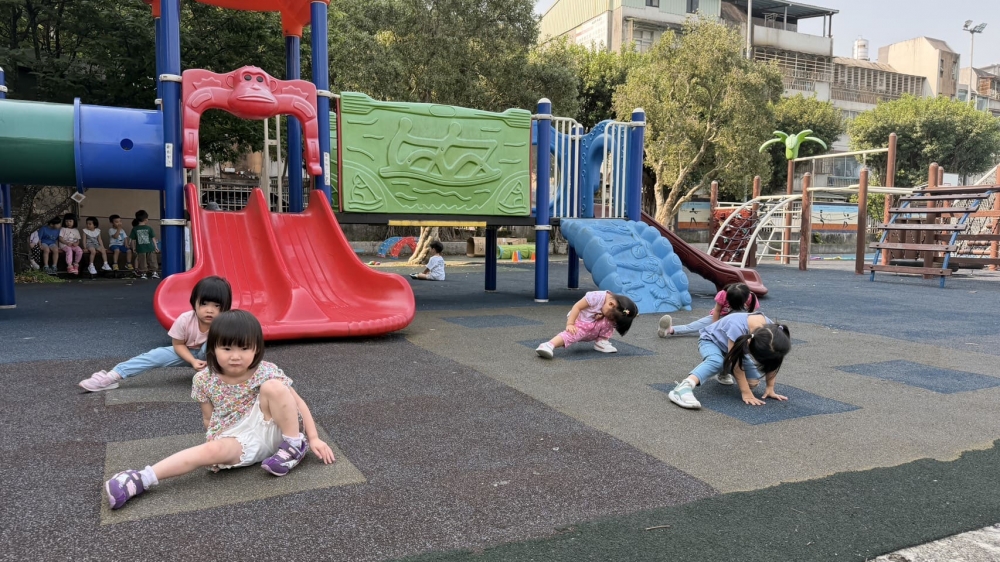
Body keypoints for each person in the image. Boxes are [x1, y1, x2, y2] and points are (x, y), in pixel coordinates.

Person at [104, 309, 337, 509]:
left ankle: (294, 446)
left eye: (244, 348)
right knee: (209, 450)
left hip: (275, 428)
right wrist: (214, 449)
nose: (235, 356)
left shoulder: (266, 370)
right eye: (226, 348)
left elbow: (297, 403)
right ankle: (141, 479)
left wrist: (313, 438)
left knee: (274, 387)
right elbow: (208, 419)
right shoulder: (204, 379)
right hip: (238, 438)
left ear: (256, 349)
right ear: (213, 348)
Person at [78, 276, 233, 392]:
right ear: (194, 302)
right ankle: (111, 376)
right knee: (154, 355)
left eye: (217, 306)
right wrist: (192, 361)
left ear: (225, 307)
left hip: (214, 357)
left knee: (216, 342)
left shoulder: (227, 322)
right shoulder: (185, 319)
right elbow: (178, 344)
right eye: (204, 304)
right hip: (187, 352)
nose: (209, 310)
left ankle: (229, 380)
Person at [666, 312, 791, 410]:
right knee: (717, 361)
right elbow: (736, 362)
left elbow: (773, 362)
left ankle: (723, 371)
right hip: (711, 341)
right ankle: (683, 387)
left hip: (732, 349)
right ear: (749, 343)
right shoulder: (736, 326)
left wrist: (770, 388)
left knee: (752, 383)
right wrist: (746, 393)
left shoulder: (774, 333)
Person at [535, 290, 637, 359]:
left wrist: (604, 316)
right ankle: (548, 345)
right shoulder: (595, 297)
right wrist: (570, 324)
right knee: (573, 333)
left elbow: (614, 314)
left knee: (610, 321)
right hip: (580, 320)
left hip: (593, 321)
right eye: (610, 316)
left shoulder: (614, 306)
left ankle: (601, 341)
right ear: (611, 304)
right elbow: (577, 307)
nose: (611, 320)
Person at [658, 283, 760, 338]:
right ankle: (670, 330)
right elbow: (717, 311)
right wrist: (715, 328)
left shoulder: (751, 298)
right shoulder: (723, 294)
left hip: (738, 320)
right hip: (721, 317)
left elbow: (753, 317)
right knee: (694, 326)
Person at [130, 210, 160, 279]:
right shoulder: (149, 228)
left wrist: (133, 247)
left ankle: (143, 273)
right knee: (152, 260)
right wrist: (156, 246)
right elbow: (153, 238)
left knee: (142, 261)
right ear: (146, 219)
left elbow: (133, 240)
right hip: (150, 247)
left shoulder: (135, 229)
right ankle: (154, 272)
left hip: (140, 248)